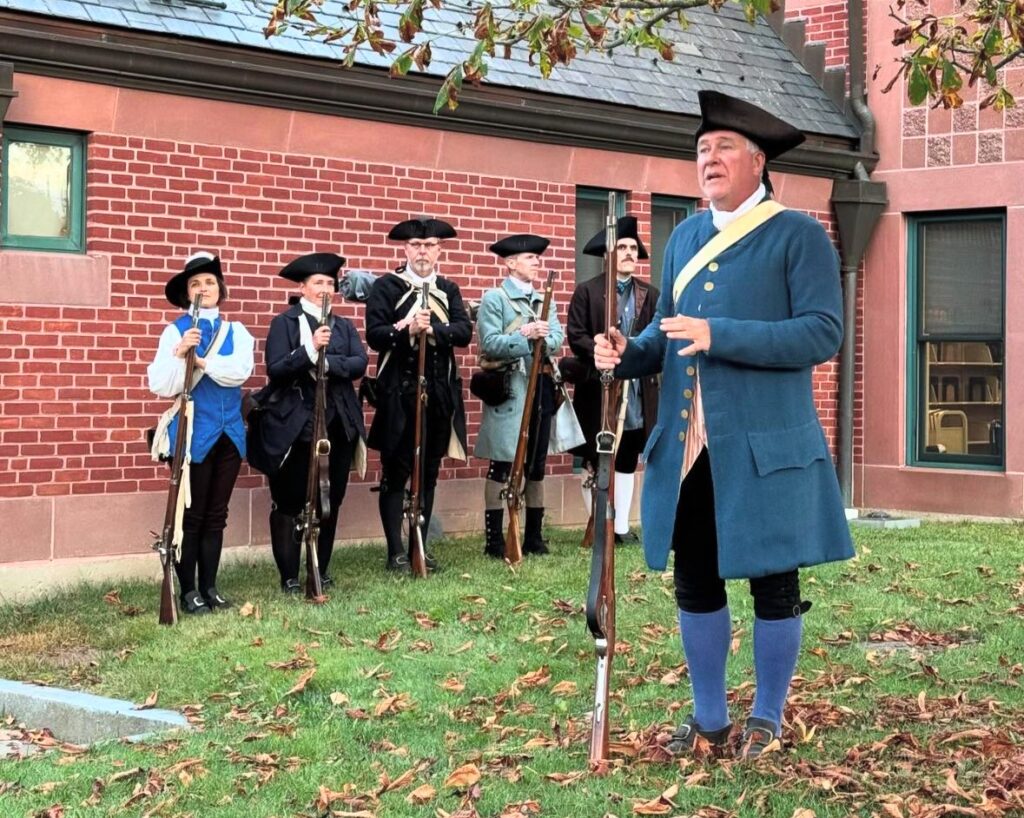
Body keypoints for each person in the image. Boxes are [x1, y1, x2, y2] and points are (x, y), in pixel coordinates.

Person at [594, 91, 854, 759]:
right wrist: (627, 353)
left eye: (723, 149)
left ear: (759, 161)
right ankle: (709, 718)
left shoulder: (798, 234)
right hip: (690, 445)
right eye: (702, 150)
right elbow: (663, 333)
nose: (708, 160)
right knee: (696, 577)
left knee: (774, 582)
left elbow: (823, 333)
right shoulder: (684, 236)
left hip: (766, 444)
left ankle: (766, 718)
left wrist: (721, 334)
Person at [249, 253, 368, 593]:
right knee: (289, 501)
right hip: (296, 425)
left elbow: (359, 362)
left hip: (339, 423)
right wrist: (309, 350)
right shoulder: (284, 323)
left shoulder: (343, 325)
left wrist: (330, 365)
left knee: (331, 499)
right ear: (302, 287)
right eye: (318, 283)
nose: (325, 288)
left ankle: (320, 567)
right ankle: (288, 575)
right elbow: (277, 368)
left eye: (330, 283)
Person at [147, 252, 255, 614]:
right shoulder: (174, 331)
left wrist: (204, 360)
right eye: (195, 283)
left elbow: (239, 372)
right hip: (192, 432)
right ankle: (188, 590)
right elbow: (162, 384)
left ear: (219, 289)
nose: (203, 288)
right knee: (190, 516)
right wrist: (180, 353)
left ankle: (210, 587)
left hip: (229, 433)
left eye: (209, 282)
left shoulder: (236, 331)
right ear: (186, 292)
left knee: (216, 513)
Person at [365, 217, 472, 573]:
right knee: (396, 471)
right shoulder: (387, 287)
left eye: (429, 245)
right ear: (405, 249)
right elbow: (375, 334)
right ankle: (395, 550)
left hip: (438, 392)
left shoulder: (448, 288)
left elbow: (463, 330)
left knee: (428, 472)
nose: (422, 251)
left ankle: (419, 545)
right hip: (399, 391)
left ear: (439, 250)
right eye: (415, 245)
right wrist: (409, 330)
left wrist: (434, 330)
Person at [564, 215, 660, 544]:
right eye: (623, 247)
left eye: (634, 247)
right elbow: (575, 335)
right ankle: (598, 523)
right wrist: (601, 349)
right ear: (610, 253)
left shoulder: (651, 294)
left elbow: (657, 336)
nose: (630, 253)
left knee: (628, 455)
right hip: (598, 384)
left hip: (636, 389)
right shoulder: (587, 292)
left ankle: (620, 528)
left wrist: (632, 353)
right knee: (595, 455)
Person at [474, 234, 564, 558]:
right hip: (511, 388)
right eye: (529, 258)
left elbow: (556, 337)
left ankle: (534, 538)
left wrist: (544, 336)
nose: (536, 262)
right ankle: (494, 541)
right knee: (502, 464)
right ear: (510, 263)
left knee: (536, 465)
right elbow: (489, 343)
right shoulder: (494, 299)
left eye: (536, 259)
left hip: (539, 386)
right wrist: (525, 334)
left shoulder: (544, 299)